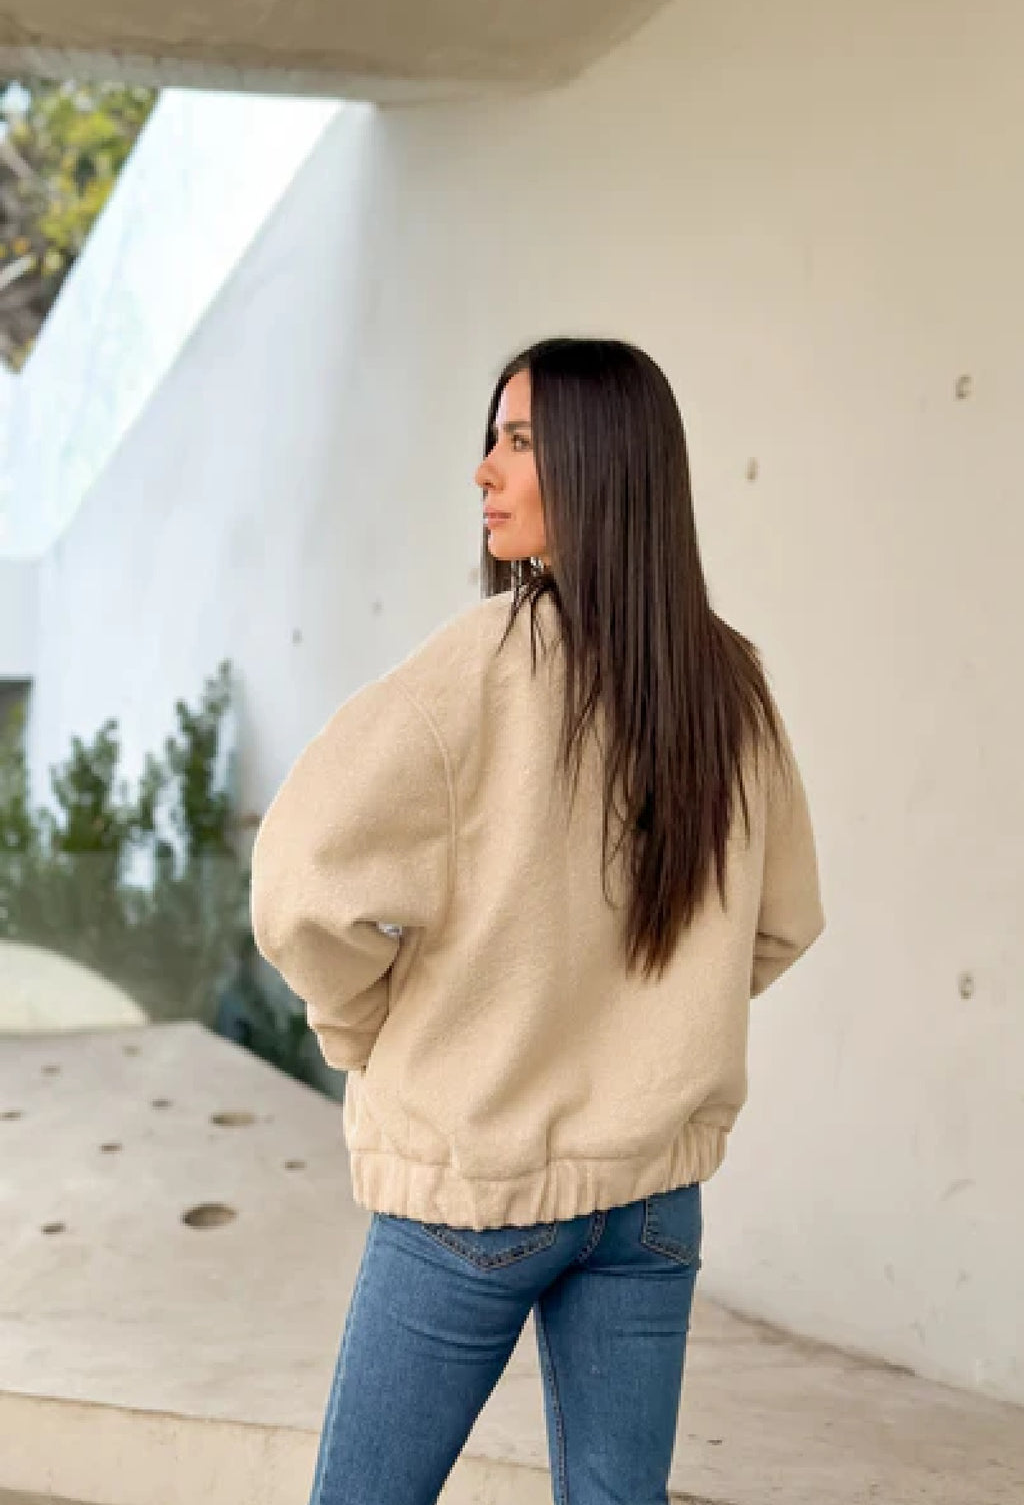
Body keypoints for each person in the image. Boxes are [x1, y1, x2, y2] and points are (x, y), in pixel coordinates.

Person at [250, 336, 826, 1505]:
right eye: (492, 438)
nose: (484, 471)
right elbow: (780, 923)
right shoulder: (728, 681)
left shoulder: (477, 667)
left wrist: (365, 1030)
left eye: (518, 442)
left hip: (477, 1184)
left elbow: (302, 887)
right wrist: (652, 1025)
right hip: (652, 1202)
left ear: (603, 466)